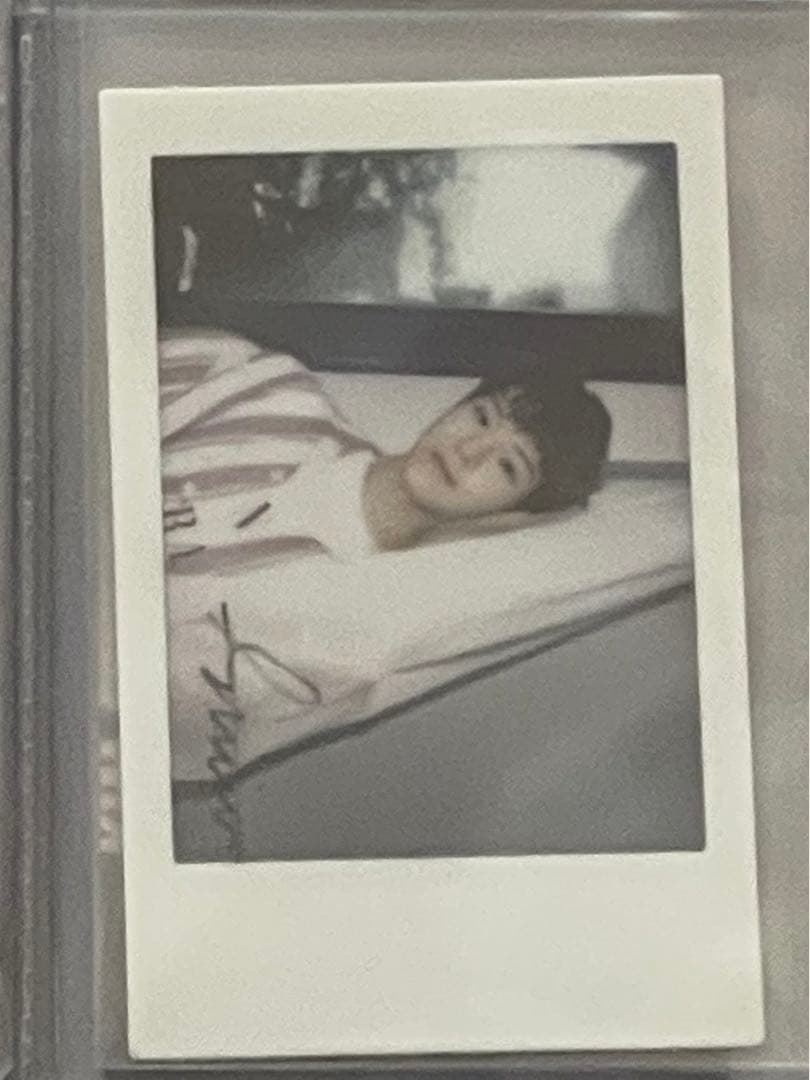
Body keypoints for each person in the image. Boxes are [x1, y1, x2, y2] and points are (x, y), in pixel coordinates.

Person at [159, 328, 611, 572]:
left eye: (508, 466)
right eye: (481, 417)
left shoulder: (360, 613)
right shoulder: (269, 388)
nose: (469, 451)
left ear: (511, 514)